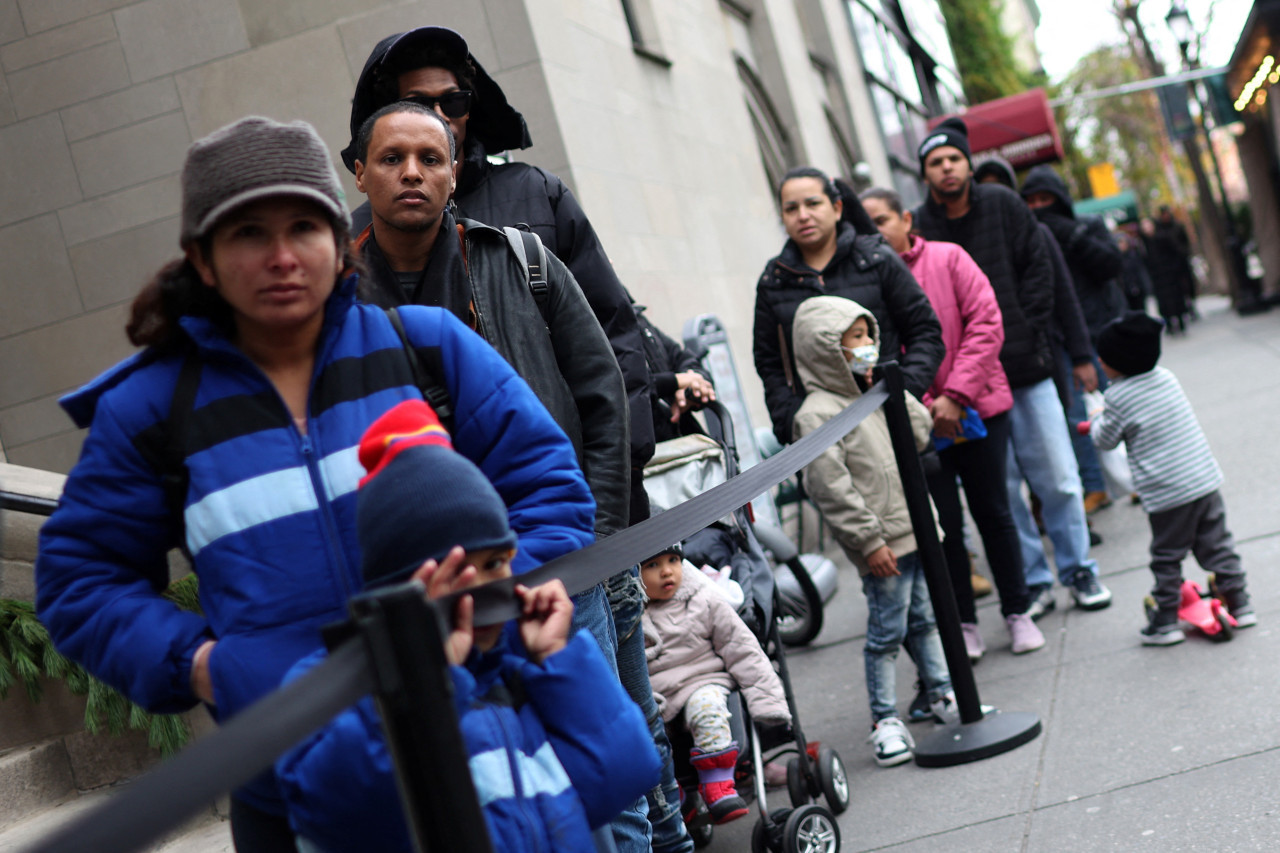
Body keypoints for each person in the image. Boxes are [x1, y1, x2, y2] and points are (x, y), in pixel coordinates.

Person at [35, 117, 598, 853]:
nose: (280, 257)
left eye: (303, 225)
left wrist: (488, 602)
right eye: (245, 233)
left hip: (476, 744)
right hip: (292, 787)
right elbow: (80, 579)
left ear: (339, 243)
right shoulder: (150, 410)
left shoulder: (426, 347)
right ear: (203, 260)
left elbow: (552, 490)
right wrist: (201, 665)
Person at [345, 33, 684, 848]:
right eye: (394, 154)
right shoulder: (336, 300)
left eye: (435, 148)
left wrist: (596, 538)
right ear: (359, 168)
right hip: (425, 587)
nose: (415, 169)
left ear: (458, 161)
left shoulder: (521, 252)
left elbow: (604, 389)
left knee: (608, 777)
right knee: (475, 782)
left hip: (557, 558)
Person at [278, 400, 661, 852]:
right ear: (402, 585)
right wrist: (426, 675)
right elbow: (351, 817)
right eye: (457, 572)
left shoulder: (518, 673)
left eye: (496, 562)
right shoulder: (340, 685)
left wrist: (561, 659)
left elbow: (623, 776)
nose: (482, 590)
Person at [343, 25, 655, 530]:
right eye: (419, 104)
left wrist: (613, 493)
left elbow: (609, 340)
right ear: (364, 168)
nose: (439, 116)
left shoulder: (537, 198)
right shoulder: (348, 257)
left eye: (453, 101)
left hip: (568, 512)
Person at [913, 118, 1112, 644]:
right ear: (925, 173)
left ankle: (1079, 571)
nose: (947, 168)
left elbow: (1042, 272)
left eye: (954, 158)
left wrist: (1029, 327)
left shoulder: (1004, 205)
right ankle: (1036, 582)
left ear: (967, 162)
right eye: (936, 162)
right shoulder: (922, 227)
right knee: (1002, 496)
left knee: (1059, 477)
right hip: (967, 388)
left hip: (1026, 368)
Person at [859, 188, 1045, 663]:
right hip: (917, 421)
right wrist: (923, 405)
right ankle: (963, 622)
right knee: (944, 527)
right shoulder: (869, 280)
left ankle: (1017, 612)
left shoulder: (950, 258)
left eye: (882, 219)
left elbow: (986, 323)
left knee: (996, 513)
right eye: (868, 223)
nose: (875, 230)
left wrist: (954, 396)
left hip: (978, 407)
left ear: (906, 218)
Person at [790, 295, 961, 766]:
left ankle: (942, 692)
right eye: (856, 338)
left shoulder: (875, 392)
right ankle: (884, 719)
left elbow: (921, 433)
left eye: (869, 335)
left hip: (915, 529)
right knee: (887, 631)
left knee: (924, 620)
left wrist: (892, 387)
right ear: (826, 348)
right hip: (881, 542)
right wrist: (868, 541)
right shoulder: (817, 413)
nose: (868, 344)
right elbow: (831, 488)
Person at [1088, 312, 1255, 644]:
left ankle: (1164, 621)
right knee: (1218, 545)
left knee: (1167, 556)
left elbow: (1104, 439)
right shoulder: (1166, 377)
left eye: (1103, 359)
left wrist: (1096, 419)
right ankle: (1241, 602)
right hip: (1203, 480)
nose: (1099, 363)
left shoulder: (1118, 397)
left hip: (1167, 493)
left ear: (1119, 363)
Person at [753, 165, 944, 446]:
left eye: (813, 203)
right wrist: (793, 418)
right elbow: (769, 363)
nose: (803, 215)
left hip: (892, 421)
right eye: (791, 208)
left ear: (838, 208)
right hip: (822, 435)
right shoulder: (774, 280)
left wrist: (900, 391)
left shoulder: (877, 259)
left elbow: (925, 332)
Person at [641, 543, 791, 820]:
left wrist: (767, 702)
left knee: (707, 708)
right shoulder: (631, 617)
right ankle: (672, 796)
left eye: (673, 560)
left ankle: (718, 784)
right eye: (652, 565)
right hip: (656, 696)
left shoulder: (704, 600)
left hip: (703, 680)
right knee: (639, 736)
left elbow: (743, 650)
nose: (666, 572)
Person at [1020, 165, 1125, 517]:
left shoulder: (1087, 227)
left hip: (1101, 333)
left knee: (1121, 407)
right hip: (1061, 339)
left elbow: (1111, 265)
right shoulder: (1029, 237)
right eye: (1031, 201)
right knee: (1076, 418)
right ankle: (1095, 487)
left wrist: (1073, 236)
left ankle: (1141, 477)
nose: (1038, 207)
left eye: (1045, 199)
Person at [635, 302, 715, 442]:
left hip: (686, 440)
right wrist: (675, 382)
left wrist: (693, 386)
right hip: (646, 453)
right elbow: (625, 386)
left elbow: (681, 357)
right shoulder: (597, 325)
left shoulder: (636, 317)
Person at [1139, 216, 1191, 334]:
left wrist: (1174, 269)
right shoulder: (1143, 244)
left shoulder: (1163, 238)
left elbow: (1176, 253)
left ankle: (1180, 320)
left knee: (1176, 298)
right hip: (1158, 278)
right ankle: (1169, 323)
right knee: (1163, 302)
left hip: (1170, 275)